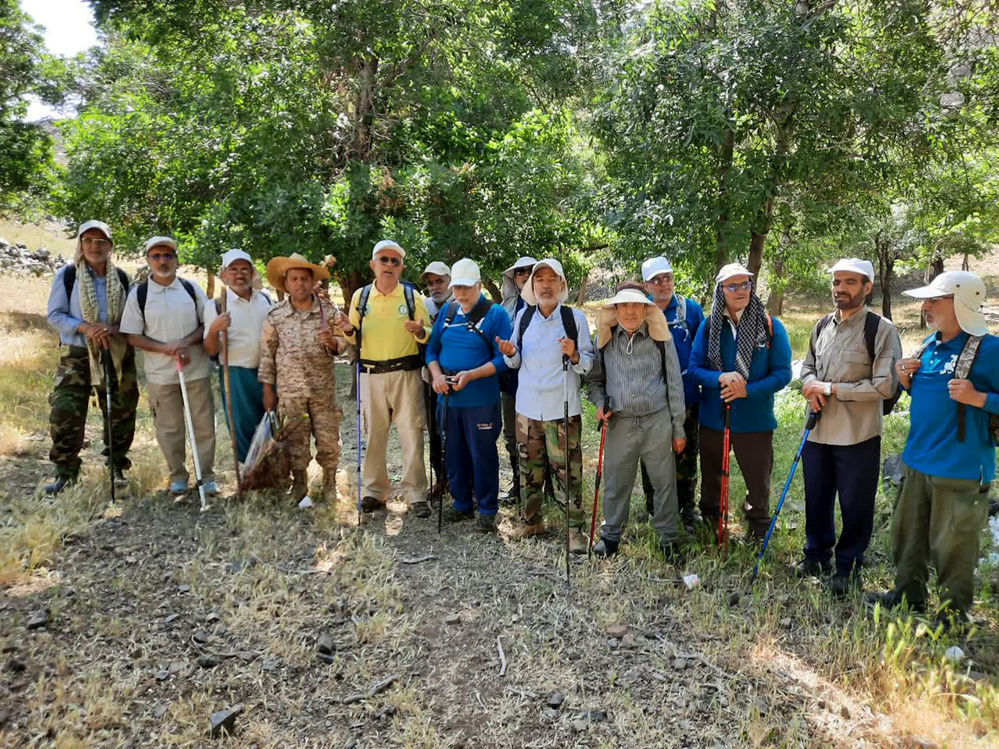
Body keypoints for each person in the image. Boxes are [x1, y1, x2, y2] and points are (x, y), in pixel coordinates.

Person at [868, 271, 999, 623]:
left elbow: (973, 399)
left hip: (962, 467)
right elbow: (931, 396)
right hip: (918, 462)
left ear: (961, 303)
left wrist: (980, 397)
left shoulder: (990, 350)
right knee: (907, 536)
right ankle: (907, 596)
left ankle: (953, 615)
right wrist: (907, 380)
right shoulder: (930, 344)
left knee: (955, 546)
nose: (925, 307)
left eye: (933, 300)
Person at [798, 258, 902, 595]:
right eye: (836, 282)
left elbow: (885, 386)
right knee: (816, 497)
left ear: (867, 287)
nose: (840, 289)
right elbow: (808, 367)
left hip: (858, 434)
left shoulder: (881, 329)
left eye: (849, 282)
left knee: (855, 504)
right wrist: (810, 385)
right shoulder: (821, 326)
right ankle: (815, 556)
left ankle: (849, 566)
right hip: (817, 431)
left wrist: (829, 389)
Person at [689, 263, 792, 542]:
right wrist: (721, 377)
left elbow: (783, 373)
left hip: (755, 419)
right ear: (721, 290)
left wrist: (749, 390)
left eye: (745, 284)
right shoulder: (710, 325)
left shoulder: (770, 325)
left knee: (757, 479)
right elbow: (695, 367)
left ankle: (758, 528)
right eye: (732, 286)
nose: (740, 290)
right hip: (714, 417)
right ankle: (712, 525)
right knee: (712, 477)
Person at [497, 259, 594, 551]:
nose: (546, 285)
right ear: (532, 287)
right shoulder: (523, 318)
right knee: (529, 469)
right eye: (540, 280)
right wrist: (510, 352)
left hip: (562, 409)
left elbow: (589, 365)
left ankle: (575, 530)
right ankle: (531, 521)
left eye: (552, 279)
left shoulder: (573, 319)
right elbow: (513, 361)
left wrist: (575, 355)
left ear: (562, 285)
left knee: (567, 472)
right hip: (527, 409)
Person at [587, 286, 687, 558]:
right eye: (624, 306)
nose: (630, 311)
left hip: (657, 420)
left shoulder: (660, 338)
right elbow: (594, 381)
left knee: (664, 482)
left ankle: (668, 539)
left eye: (636, 306)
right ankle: (610, 537)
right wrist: (599, 404)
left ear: (646, 309)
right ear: (615, 310)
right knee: (616, 481)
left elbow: (674, 383)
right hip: (619, 422)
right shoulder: (605, 340)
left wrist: (678, 428)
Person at [337, 240, 433, 517]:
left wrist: (419, 330)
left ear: (402, 267)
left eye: (395, 261)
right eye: (384, 259)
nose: (389, 265)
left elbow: (428, 333)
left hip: (406, 374)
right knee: (374, 433)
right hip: (371, 375)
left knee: (411, 434)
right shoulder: (361, 297)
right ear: (373, 264)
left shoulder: (412, 298)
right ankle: (374, 492)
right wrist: (345, 329)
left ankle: (416, 494)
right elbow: (353, 335)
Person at [44, 220, 139, 494]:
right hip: (78, 353)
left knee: (121, 410)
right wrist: (86, 327)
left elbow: (133, 318)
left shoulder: (121, 278)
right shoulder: (68, 275)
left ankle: (116, 466)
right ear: (81, 244)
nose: (94, 247)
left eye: (101, 242)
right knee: (65, 410)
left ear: (110, 246)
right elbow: (55, 314)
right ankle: (65, 472)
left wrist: (112, 329)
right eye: (88, 241)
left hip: (115, 349)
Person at [120, 236, 217, 497]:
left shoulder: (190, 289)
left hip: (195, 370)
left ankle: (205, 475)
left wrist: (185, 343)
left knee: (203, 424)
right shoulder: (139, 295)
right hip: (160, 375)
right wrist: (165, 348)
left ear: (177, 259)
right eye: (156, 256)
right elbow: (132, 335)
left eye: (168, 256)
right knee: (169, 427)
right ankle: (178, 476)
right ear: (149, 260)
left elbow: (205, 324)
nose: (163, 261)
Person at [426, 258, 513, 532]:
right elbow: (432, 350)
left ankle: (487, 508)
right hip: (448, 397)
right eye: (457, 288)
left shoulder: (496, 314)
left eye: (466, 287)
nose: (461, 293)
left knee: (482, 453)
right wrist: (437, 376)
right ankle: (462, 503)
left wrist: (471, 375)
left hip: (480, 399)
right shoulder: (448, 312)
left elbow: (504, 360)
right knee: (453, 452)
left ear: (478, 285)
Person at [258, 253, 347, 503]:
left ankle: (330, 484)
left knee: (329, 441)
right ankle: (300, 485)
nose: (299, 284)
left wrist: (333, 342)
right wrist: (267, 389)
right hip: (290, 391)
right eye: (294, 279)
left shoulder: (327, 312)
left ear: (312, 282)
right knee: (296, 441)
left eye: (304, 279)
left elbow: (345, 343)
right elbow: (267, 353)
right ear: (286, 283)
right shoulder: (275, 315)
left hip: (322, 390)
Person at [640, 256, 705, 528]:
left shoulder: (690, 310)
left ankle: (687, 509)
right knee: (651, 455)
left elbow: (702, 351)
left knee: (687, 453)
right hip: (651, 400)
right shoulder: (639, 310)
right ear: (646, 285)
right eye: (656, 279)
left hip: (687, 398)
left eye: (667, 277)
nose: (663, 283)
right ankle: (654, 507)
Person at [203, 249, 272, 463]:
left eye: (244, 269)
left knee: (269, 422)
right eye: (233, 269)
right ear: (224, 274)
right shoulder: (215, 305)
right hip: (236, 373)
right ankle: (249, 476)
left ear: (252, 273)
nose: (239, 274)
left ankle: (271, 473)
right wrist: (214, 329)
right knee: (242, 426)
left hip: (267, 372)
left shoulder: (266, 300)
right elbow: (211, 350)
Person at [499, 256, 537, 503]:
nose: (524, 275)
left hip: (536, 381)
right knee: (512, 435)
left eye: (529, 271)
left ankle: (540, 487)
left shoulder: (546, 305)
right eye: (519, 272)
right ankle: (518, 485)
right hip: (510, 381)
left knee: (537, 435)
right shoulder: (505, 307)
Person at [421, 260, 452, 496]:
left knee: (457, 431)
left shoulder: (461, 302)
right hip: (429, 378)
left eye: (439, 281)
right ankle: (441, 478)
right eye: (430, 283)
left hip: (457, 378)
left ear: (450, 280)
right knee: (434, 430)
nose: (435, 286)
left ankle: (463, 480)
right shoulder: (423, 306)